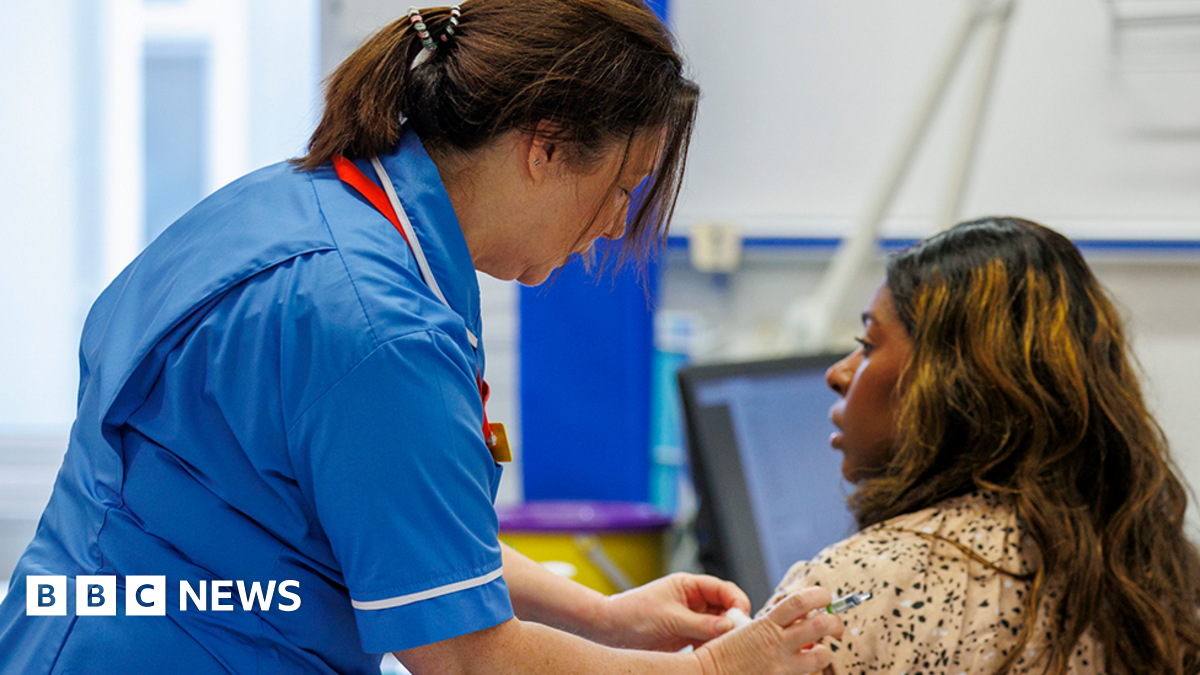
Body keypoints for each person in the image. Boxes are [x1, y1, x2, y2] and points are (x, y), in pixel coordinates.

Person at [0, 1, 842, 673]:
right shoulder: (380, 328)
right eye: (622, 187)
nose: (617, 224)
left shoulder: (304, 207)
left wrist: (603, 615)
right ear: (545, 146)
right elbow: (467, 657)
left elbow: (400, 524)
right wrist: (718, 667)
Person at [761, 217, 1200, 674]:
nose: (838, 373)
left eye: (868, 344)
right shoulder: (1149, 574)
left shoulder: (840, 596)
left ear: (950, 385)